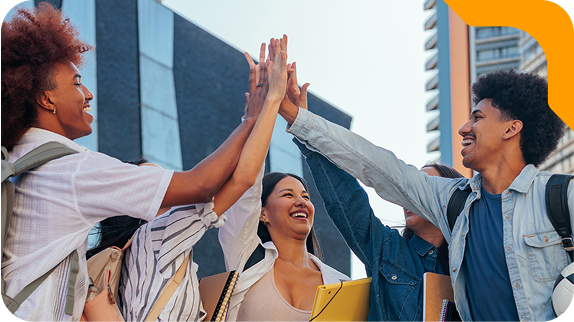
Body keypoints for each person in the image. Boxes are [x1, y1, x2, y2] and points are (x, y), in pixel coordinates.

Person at [0, 4, 281, 321]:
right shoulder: (71, 169)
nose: (89, 93)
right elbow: (203, 185)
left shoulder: (18, 163)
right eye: (77, 83)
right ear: (47, 99)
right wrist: (253, 117)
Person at [279, 65, 572, 321]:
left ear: (512, 128)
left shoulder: (561, 197)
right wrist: (300, 120)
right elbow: (378, 165)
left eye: (478, 118)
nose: (464, 128)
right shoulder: (452, 203)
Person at [298, 139, 463, 321]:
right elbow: (347, 199)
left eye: (423, 188)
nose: (410, 197)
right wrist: (306, 131)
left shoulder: (471, 264)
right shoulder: (387, 248)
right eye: (409, 190)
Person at [219, 172, 349, 320]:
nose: (302, 202)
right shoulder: (247, 259)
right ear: (262, 213)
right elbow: (245, 182)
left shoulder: (341, 284)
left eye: (305, 197)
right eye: (288, 195)